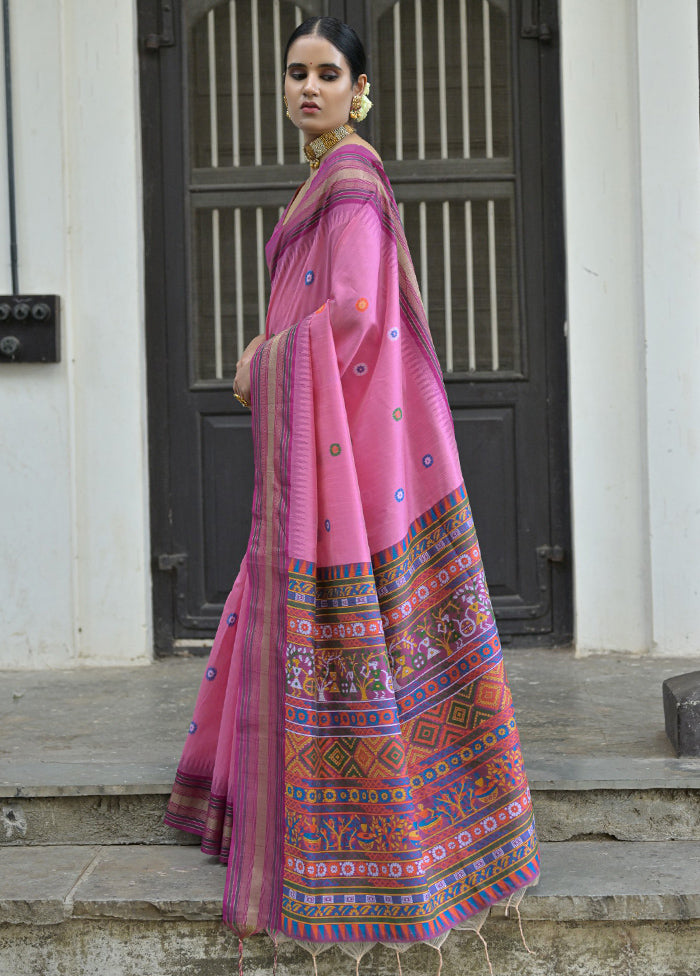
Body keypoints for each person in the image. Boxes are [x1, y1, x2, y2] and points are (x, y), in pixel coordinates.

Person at [165, 16, 539, 971]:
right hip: (321, 440)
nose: (308, 87)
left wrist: (264, 355)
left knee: (352, 620)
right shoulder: (321, 185)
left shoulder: (355, 188)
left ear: (360, 88)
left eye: (328, 73)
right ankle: (260, 797)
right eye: (295, 73)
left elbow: (359, 316)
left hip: (352, 449)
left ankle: (378, 824)